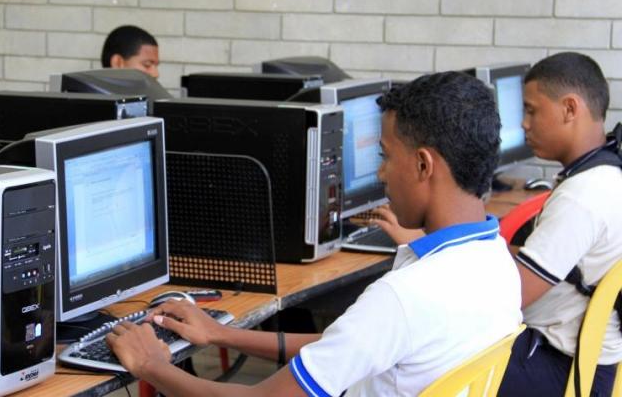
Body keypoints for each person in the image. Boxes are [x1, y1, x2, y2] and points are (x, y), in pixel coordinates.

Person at [105, 72, 523, 396]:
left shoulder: (404, 297)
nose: (380, 173)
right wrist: (222, 333)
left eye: (385, 156)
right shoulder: (496, 261)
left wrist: (150, 366)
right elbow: (348, 343)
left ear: (423, 165)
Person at [497, 52, 622, 396]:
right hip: (586, 363)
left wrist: (437, 257)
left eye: (531, 110)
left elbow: (510, 297)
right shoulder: (606, 174)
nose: (524, 124)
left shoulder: (583, 195)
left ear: (569, 108)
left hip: (562, 369)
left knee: (426, 362)